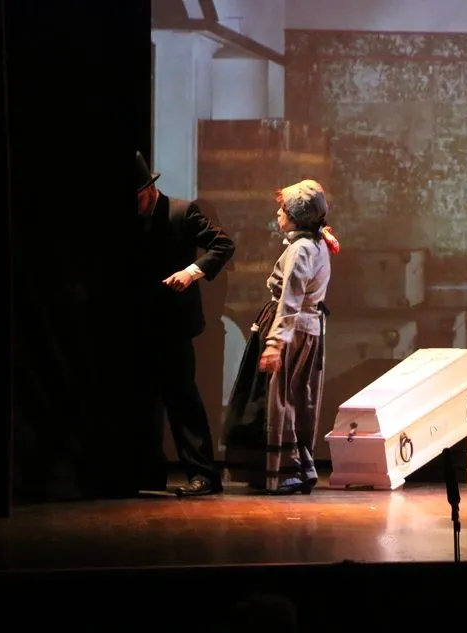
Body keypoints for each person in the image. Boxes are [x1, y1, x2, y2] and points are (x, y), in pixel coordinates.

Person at [222, 179, 338, 495]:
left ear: (297, 216)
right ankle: (293, 469)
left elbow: (291, 297)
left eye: (283, 209)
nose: (278, 213)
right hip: (305, 329)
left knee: (279, 399)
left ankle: (285, 472)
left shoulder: (302, 249)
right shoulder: (315, 242)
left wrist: (275, 342)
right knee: (290, 398)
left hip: (292, 330)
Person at [134, 150, 235, 497]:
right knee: (144, 401)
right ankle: (148, 473)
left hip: (174, 325)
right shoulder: (133, 218)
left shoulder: (183, 211)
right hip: (141, 323)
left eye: (138, 199)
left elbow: (223, 245)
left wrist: (191, 272)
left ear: (149, 189)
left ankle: (204, 474)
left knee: (182, 399)